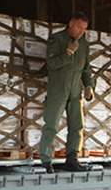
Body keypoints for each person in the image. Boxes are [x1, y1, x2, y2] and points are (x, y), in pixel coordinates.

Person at [40, 12, 94, 173]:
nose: (81, 32)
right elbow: (51, 64)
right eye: (78, 27)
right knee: (51, 125)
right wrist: (67, 54)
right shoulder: (57, 39)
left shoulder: (84, 45)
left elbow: (86, 68)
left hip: (75, 90)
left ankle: (72, 158)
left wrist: (89, 85)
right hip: (58, 89)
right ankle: (46, 160)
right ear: (71, 23)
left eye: (84, 29)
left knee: (77, 126)